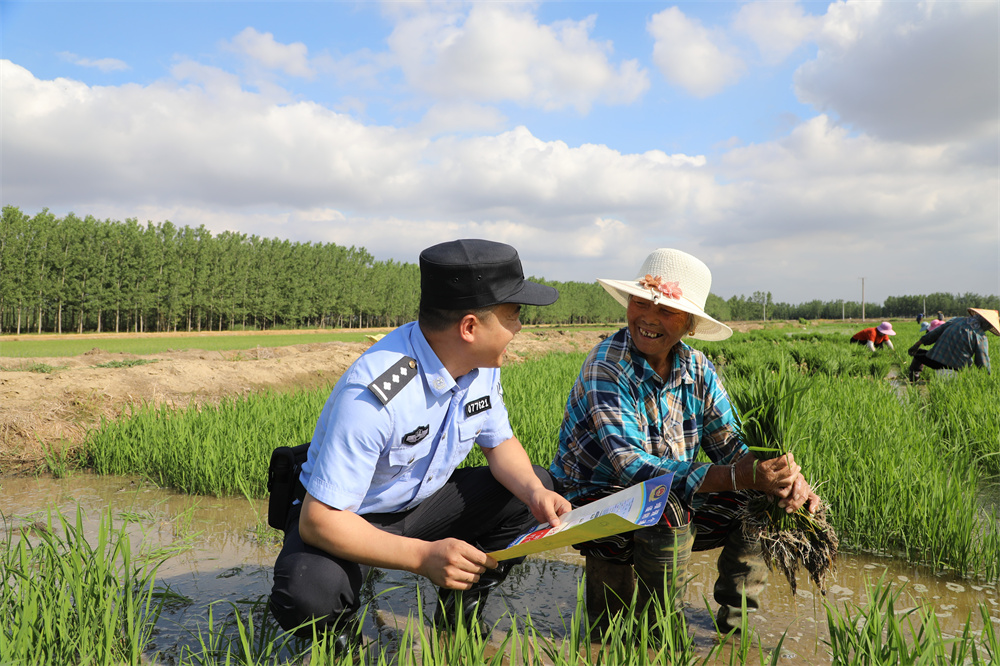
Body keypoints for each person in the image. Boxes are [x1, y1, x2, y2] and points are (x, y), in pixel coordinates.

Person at [269, 239, 572, 646]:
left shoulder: (480, 366)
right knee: (308, 592)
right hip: (350, 515)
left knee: (532, 487)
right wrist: (422, 558)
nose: (519, 327)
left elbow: (499, 444)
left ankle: (458, 611)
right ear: (470, 327)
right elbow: (319, 520)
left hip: (422, 502)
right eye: (513, 314)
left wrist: (536, 493)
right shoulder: (375, 394)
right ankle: (339, 647)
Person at [549, 248, 819, 634]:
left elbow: (734, 450)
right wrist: (737, 476)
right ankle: (661, 631)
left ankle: (734, 627)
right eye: (641, 303)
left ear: (690, 324)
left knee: (759, 498)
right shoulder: (607, 365)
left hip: (666, 498)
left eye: (666, 311)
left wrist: (784, 480)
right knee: (662, 517)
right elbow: (632, 467)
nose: (649, 318)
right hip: (595, 501)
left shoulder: (697, 369)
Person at [907, 308, 999, 381]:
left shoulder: (956, 320)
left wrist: (917, 344)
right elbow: (982, 362)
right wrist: (987, 378)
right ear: (986, 324)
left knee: (918, 354)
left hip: (935, 360)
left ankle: (914, 376)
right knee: (968, 364)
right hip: (956, 368)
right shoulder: (980, 336)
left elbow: (934, 333)